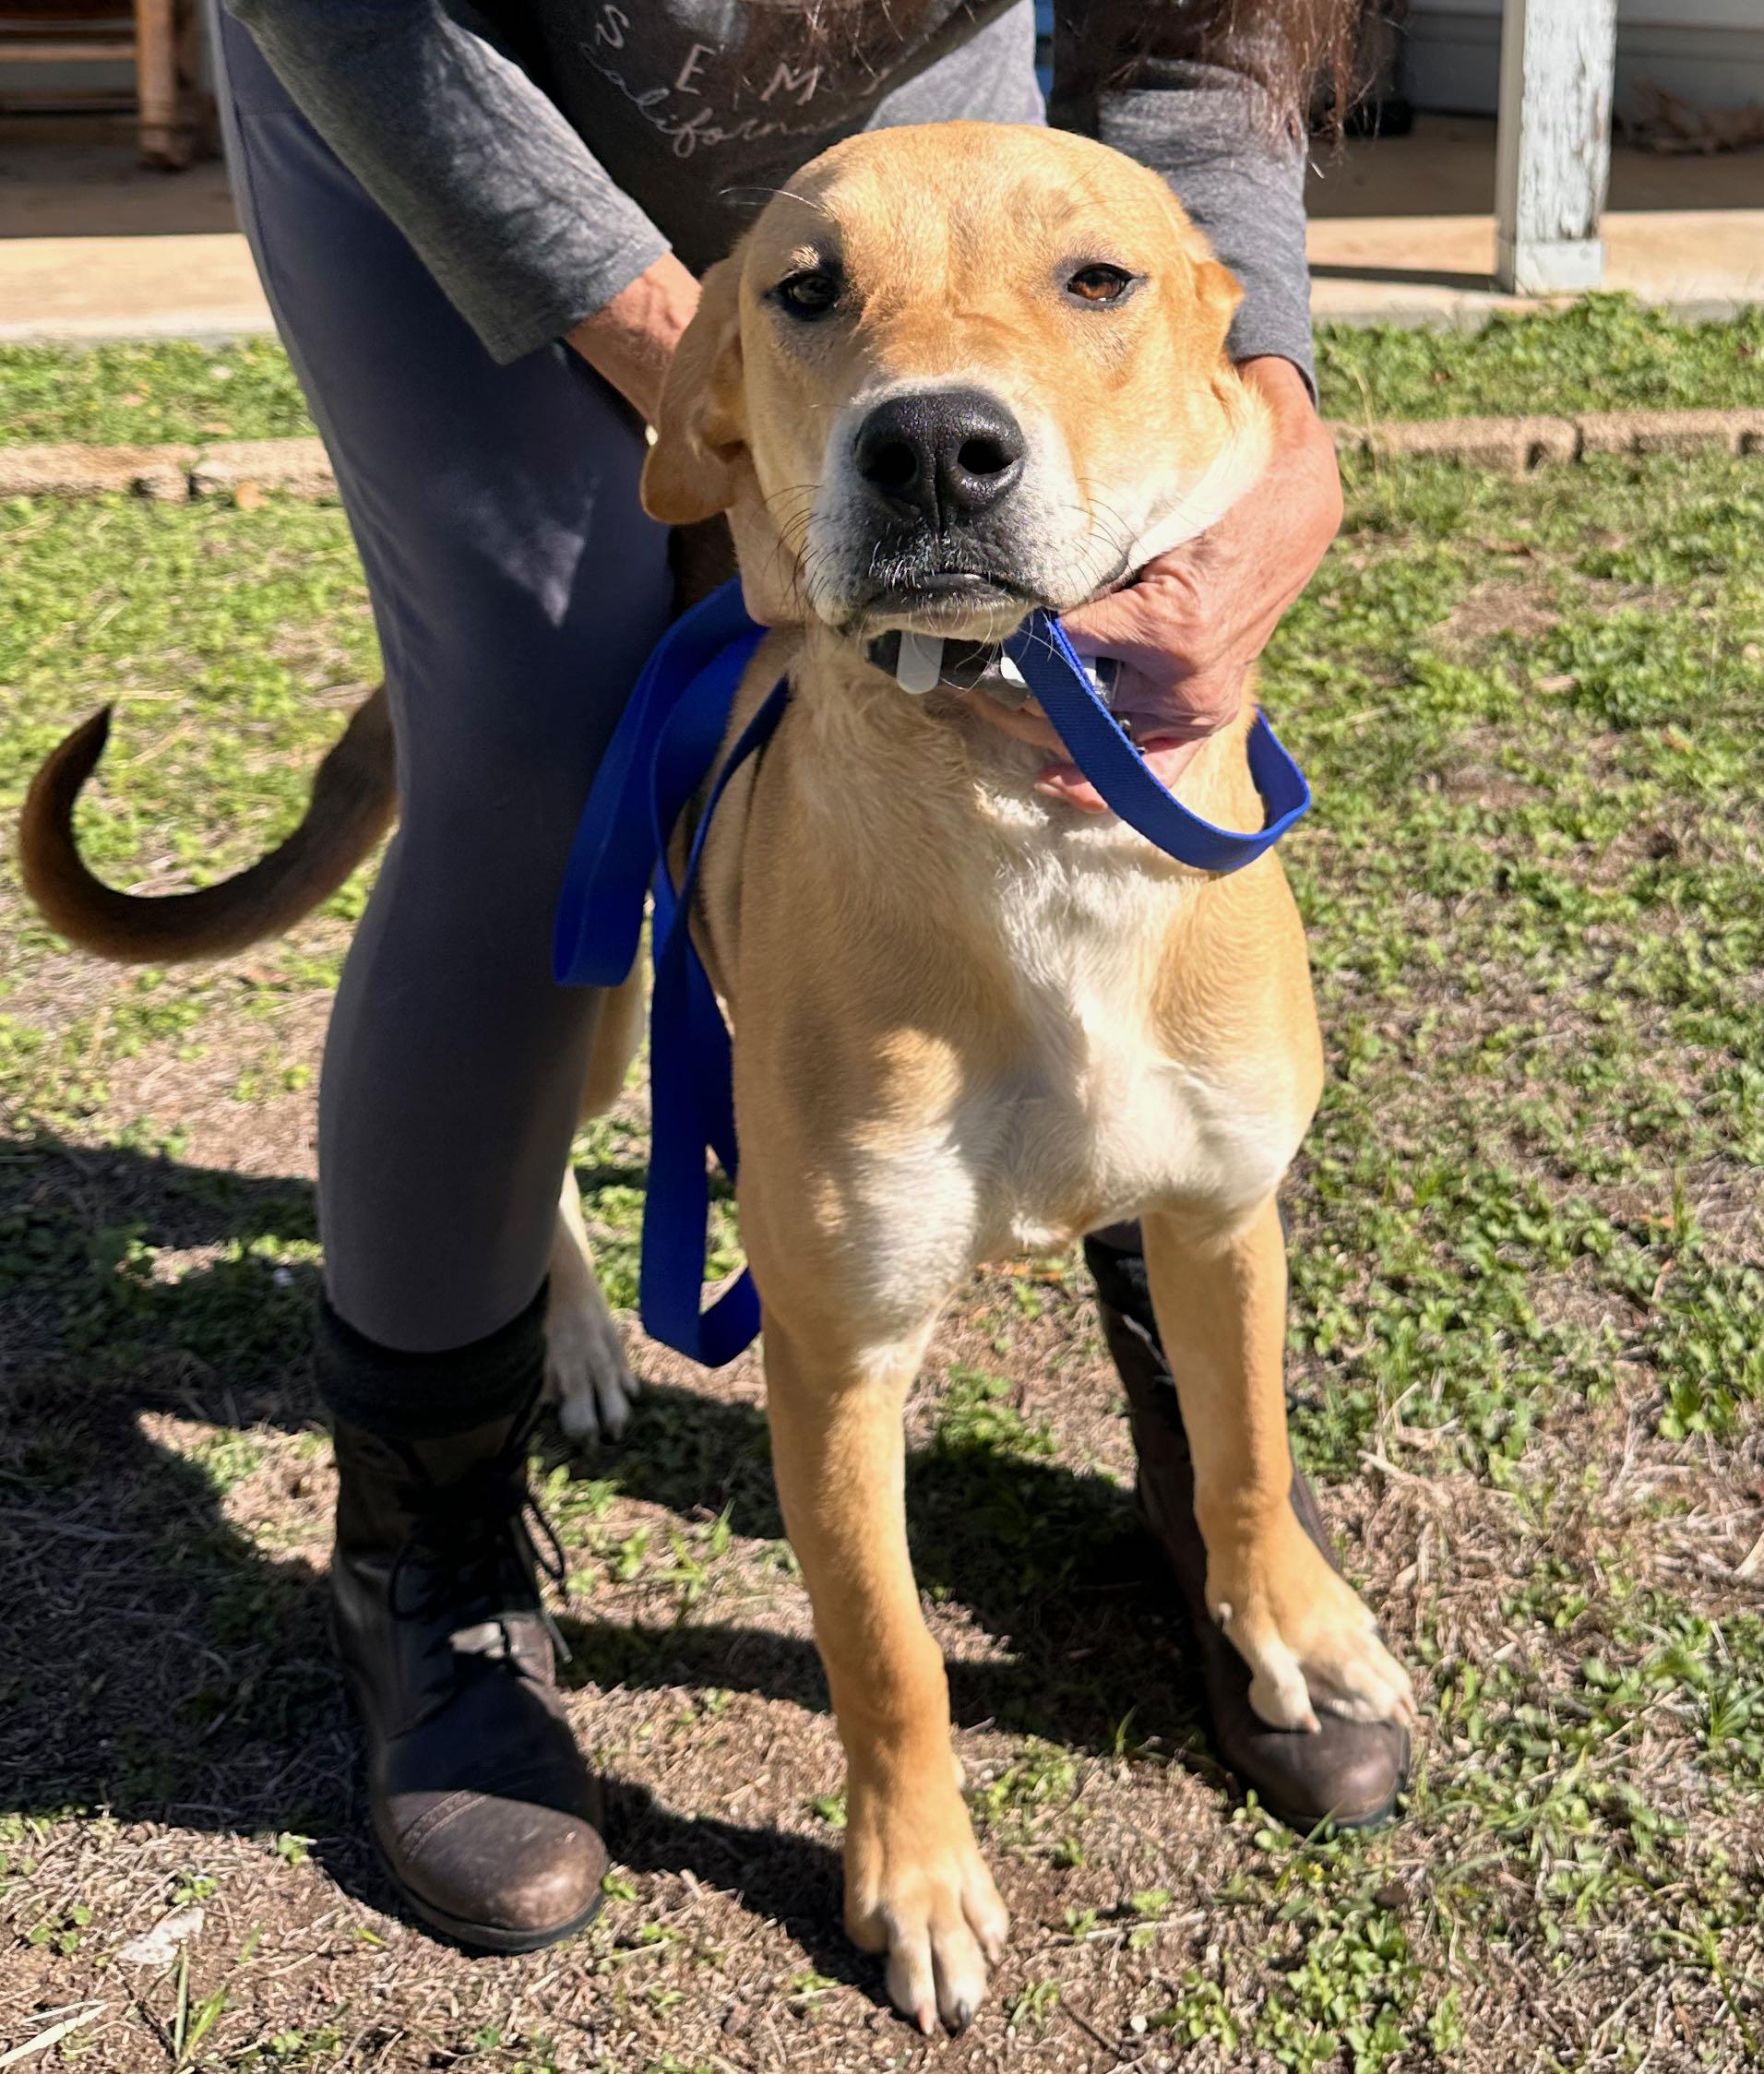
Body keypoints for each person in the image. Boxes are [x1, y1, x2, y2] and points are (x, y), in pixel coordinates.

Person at [212, 0, 1401, 1956]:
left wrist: (1262, 376)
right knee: (536, 736)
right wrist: (738, 395)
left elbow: (1199, 46)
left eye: (1101, 285)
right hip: (426, 74)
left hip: (870, 134)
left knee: (1194, 1064)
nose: (943, 413)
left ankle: (1236, 1523)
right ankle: (422, 1550)